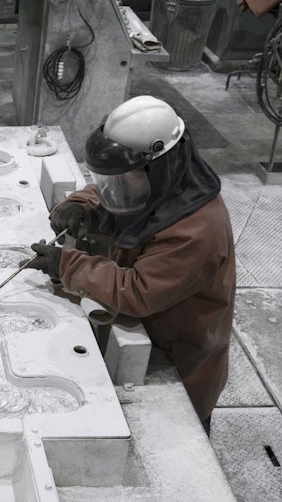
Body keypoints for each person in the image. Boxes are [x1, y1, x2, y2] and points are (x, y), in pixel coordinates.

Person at [26, 95, 236, 436]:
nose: (116, 186)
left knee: (176, 443)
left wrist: (67, 264)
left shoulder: (197, 231)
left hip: (176, 361)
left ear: (159, 166)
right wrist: (81, 206)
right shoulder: (161, 189)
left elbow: (136, 290)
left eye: (124, 177)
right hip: (148, 331)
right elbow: (116, 195)